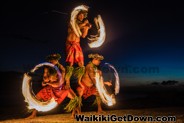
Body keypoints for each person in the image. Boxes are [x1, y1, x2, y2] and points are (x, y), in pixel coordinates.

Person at [26, 53, 80, 119]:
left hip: (61, 88)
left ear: (57, 60)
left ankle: (74, 114)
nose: (52, 61)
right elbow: (45, 78)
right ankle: (33, 114)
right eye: (51, 60)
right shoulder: (47, 69)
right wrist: (45, 81)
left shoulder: (61, 68)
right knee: (37, 97)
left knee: (75, 99)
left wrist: (68, 83)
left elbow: (62, 81)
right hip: (51, 88)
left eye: (54, 60)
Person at [65, 10, 92, 89]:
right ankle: (67, 82)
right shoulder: (72, 22)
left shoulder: (82, 24)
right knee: (70, 64)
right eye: (80, 15)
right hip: (70, 44)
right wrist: (85, 24)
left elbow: (83, 36)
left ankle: (79, 81)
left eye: (83, 16)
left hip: (77, 45)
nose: (82, 17)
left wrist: (87, 28)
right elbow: (75, 28)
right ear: (77, 15)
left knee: (81, 64)